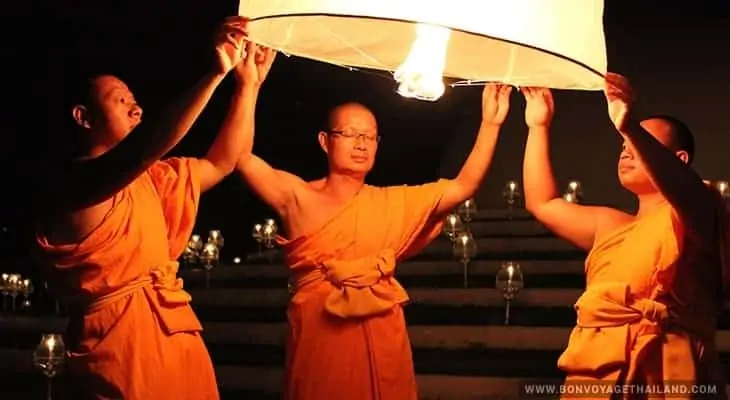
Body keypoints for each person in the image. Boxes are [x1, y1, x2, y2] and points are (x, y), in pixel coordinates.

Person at [32, 17, 276, 399]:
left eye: (134, 100)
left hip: (176, 334)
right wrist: (212, 75)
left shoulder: (153, 178)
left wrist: (248, 85)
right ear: (83, 117)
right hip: (119, 349)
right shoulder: (73, 185)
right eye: (121, 100)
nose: (136, 109)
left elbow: (222, 162)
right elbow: (148, 147)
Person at [236, 84, 512, 399]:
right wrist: (249, 86)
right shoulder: (298, 197)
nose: (361, 144)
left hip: (382, 334)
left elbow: (464, 186)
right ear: (325, 141)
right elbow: (240, 156)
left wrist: (491, 124)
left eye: (369, 136)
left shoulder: (392, 201)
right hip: (319, 337)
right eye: (350, 134)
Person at [520, 74, 729, 398]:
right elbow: (542, 203)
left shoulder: (699, 206)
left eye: (638, 143)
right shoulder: (609, 224)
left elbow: (685, 189)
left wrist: (629, 126)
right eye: (623, 145)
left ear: (679, 160)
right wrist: (538, 126)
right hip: (596, 369)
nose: (626, 151)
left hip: (667, 370)